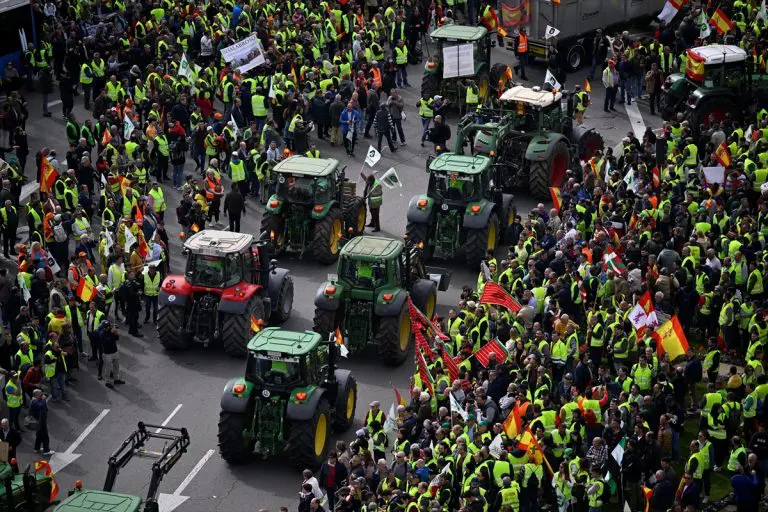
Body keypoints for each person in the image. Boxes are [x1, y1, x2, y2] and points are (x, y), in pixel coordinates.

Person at [99, 320, 124, 389]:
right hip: (107, 354)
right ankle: (107, 382)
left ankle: (116, 379)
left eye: (109, 326)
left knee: (116, 367)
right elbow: (107, 343)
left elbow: (117, 338)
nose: (109, 327)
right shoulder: (102, 334)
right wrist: (111, 333)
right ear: (104, 327)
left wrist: (115, 333)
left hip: (115, 352)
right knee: (108, 369)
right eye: (107, 326)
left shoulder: (111, 330)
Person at [28, 389, 53, 456]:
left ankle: (37, 448)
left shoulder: (37, 400)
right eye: (40, 394)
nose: (41, 395)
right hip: (40, 422)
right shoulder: (35, 401)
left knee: (39, 436)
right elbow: (41, 405)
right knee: (45, 436)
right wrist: (44, 399)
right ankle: (46, 451)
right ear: (36, 395)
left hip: (40, 421)